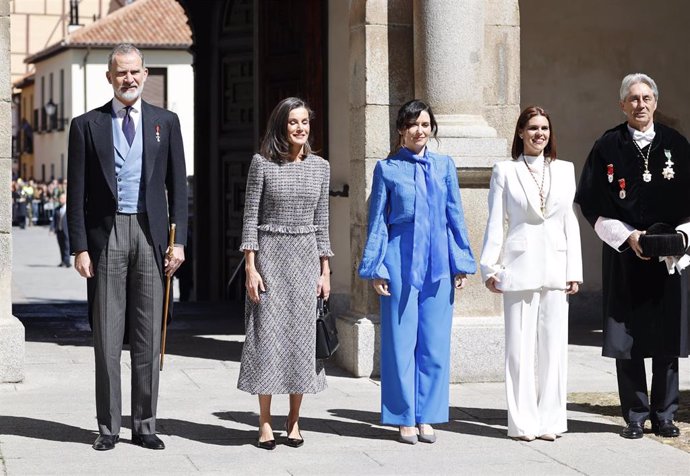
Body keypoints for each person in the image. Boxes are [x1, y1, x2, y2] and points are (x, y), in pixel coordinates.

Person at [67, 43, 188, 451]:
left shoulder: (165, 122)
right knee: (106, 336)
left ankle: (145, 423)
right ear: (110, 78)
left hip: (151, 235)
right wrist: (79, 247)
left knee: (148, 334)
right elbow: (76, 194)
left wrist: (181, 242)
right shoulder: (86, 125)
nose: (129, 79)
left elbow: (178, 189)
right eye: (121, 73)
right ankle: (108, 428)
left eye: (135, 72)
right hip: (106, 238)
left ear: (145, 74)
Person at [575, 73, 690, 440]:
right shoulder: (608, 146)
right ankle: (636, 414)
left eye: (647, 98)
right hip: (627, 256)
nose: (641, 104)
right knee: (629, 339)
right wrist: (629, 237)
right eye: (633, 99)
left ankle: (666, 413)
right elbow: (591, 204)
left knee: (667, 337)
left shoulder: (677, 144)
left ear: (656, 102)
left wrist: (683, 238)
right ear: (622, 104)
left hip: (671, 260)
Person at [358, 99, 476, 445]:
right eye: (413, 125)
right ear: (401, 130)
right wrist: (377, 266)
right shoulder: (387, 169)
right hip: (399, 258)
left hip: (438, 261)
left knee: (435, 344)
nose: (419, 131)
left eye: (425, 125)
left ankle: (428, 415)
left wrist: (461, 263)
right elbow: (377, 220)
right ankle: (402, 415)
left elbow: (455, 218)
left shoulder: (444, 166)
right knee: (399, 342)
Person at [480, 106, 582, 441]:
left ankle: (551, 421)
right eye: (533, 128)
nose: (540, 134)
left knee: (554, 351)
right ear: (521, 132)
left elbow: (570, 221)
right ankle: (522, 423)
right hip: (518, 265)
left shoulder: (565, 170)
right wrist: (490, 268)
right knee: (519, 350)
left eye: (545, 128)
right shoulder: (505, 170)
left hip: (556, 265)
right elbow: (496, 222)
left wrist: (574, 270)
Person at [238, 97, 333, 450]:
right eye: (293, 122)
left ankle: (293, 421)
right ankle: (264, 422)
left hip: (306, 259)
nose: (300, 128)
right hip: (270, 260)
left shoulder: (321, 168)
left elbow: (322, 222)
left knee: (301, 342)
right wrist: (250, 267)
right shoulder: (261, 164)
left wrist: (325, 271)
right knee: (265, 340)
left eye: (305, 122)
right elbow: (249, 219)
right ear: (281, 125)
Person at [50, 193, 71, 268]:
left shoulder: (69, 208)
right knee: (61, 246)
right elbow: (54, 220)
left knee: (67, 246)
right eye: (60, 198)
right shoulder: (57, 209)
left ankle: (67, 261)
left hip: (67, 231)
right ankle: (63, 261)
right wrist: (51, 229)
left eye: (62, 198)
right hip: (59, 230)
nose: (60, 200)